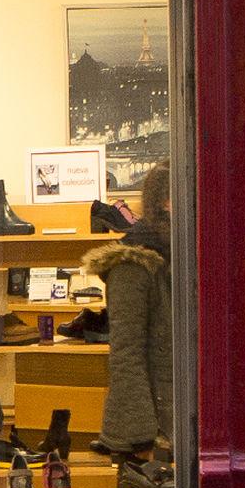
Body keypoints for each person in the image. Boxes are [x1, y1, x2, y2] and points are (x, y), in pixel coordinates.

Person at [83, 161, 174, 461]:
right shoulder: (133, 263)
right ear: (166, 201)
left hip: (179, 417)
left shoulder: (181, 251)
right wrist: (140, 437)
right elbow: (126, 354)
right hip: (151, 431)